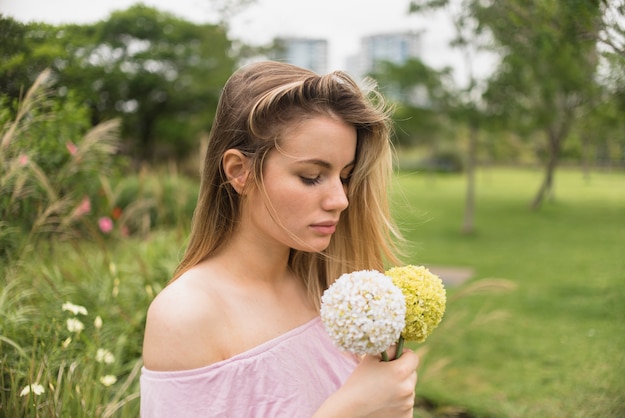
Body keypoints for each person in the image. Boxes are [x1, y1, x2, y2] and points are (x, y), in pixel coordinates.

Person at [140, 61, 420, 417]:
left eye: (344, 176)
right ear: (240, 172)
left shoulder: (329, 293)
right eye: (311, 176)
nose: (341, 200)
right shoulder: (187, 315)